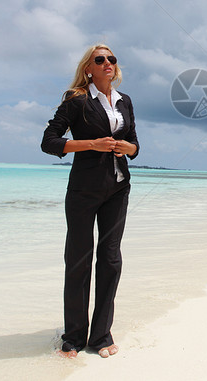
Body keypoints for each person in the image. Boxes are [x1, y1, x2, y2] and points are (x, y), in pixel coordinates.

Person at [41, 44, 139, 358]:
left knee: (110, 260)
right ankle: (73, 337)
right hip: (84, 190)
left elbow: (135, 143)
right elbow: (50, 142)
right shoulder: (77, 99)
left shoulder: (125, 101)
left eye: (112, 58)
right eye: (100, 59)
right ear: (89, 68)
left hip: (118, 188)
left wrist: (128, 148)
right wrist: (91, 144)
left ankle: (100, 336)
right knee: (79, 262)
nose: (108, 62)